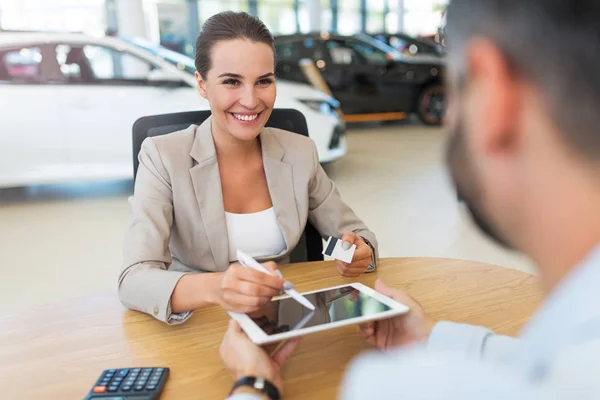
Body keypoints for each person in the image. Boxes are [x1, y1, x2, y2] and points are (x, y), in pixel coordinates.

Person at [220, 0, 600, 398]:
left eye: (455, 89)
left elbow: (347, 230)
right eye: (232, 81)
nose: (250, 98)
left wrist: (254, 383)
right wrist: (433, 336)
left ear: (494, 95)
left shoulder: (394, 387)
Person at [118, 11, 377, 325]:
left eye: (263, 81)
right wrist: (217, 287)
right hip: (200, 324)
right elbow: (134, 279)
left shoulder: (298, 153)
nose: (251, 100)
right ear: (202, 84)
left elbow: (349, 236)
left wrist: (357, 253)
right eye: (231, 82)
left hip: (283, 319)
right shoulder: (163, 156)